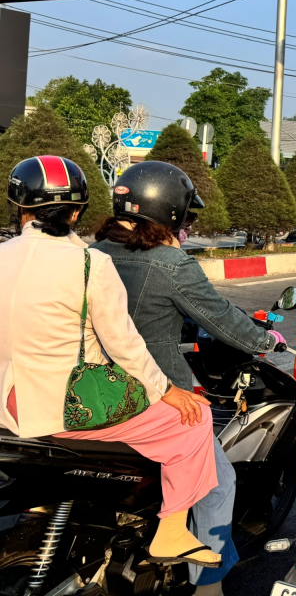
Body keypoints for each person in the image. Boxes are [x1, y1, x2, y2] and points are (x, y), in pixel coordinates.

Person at [0, 156, 221, 569]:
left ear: (20, 207)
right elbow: (124, 345)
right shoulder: (88, 264)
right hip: (63, 407)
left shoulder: (3, 255)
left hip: (9, 405)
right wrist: (169, 391)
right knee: (192, 420)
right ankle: (172, 531)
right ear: (78, 211)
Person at [91, 161, 288, 593]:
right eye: (188, 217)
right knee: (218, 484)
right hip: (157, 393)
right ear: (172, 214)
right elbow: (221, 319)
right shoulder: (171, 264)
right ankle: (209, 586)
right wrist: (267, 341)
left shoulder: (92, 253)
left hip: (87, 392)